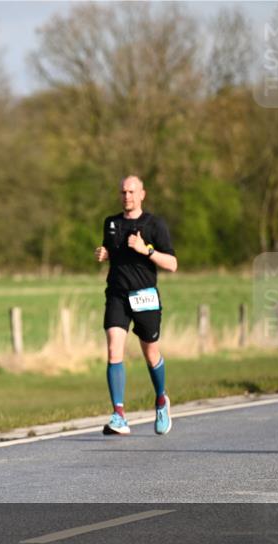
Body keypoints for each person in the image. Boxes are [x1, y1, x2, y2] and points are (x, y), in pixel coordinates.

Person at [95, 175, 178, 436]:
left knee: (151, 354)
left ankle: (161, 400)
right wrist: (105, 253)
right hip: (117, 295)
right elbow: (113, 250)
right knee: (112, 350)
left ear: (142, 194)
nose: (126, 196)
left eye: (131, 192)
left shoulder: (154, 224)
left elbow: (173, 264)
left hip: (145, 296)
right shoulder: (111, 223)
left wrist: (147, 251)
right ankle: (119, 415)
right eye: (123, 192)